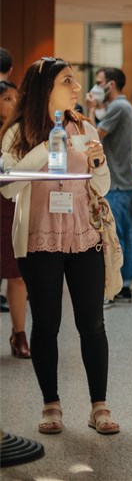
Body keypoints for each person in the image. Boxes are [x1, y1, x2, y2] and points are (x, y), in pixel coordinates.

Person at [0, 57, 119, 435]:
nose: (77, 88)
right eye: (67, 81)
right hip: (39, 237)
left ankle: (98, 406)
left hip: (84, 233)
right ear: (45, 88)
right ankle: (50, 405)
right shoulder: (16, 133)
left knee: (92, 323)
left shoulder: (85, 126)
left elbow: (102, 185)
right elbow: (9, 187)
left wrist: (97, 163)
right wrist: (48, 145)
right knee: (47, 323)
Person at [86, 67, 132, 306]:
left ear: (112, 84)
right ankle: (125, 285)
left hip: (117, 182)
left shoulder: (118, 107)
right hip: (124, 178)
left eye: (100, 82)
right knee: (124, 233)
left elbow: (93, 137)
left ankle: (119, 287)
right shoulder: (124, 107)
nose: (96, 87)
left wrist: (88, 109)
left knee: (116, 236)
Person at [0, 79, 30, 359]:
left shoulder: (21, 130)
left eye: (14, 99)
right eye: (7, 99)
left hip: (11, 204)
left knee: (17, 273)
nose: (13, 104)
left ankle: (19, 333)